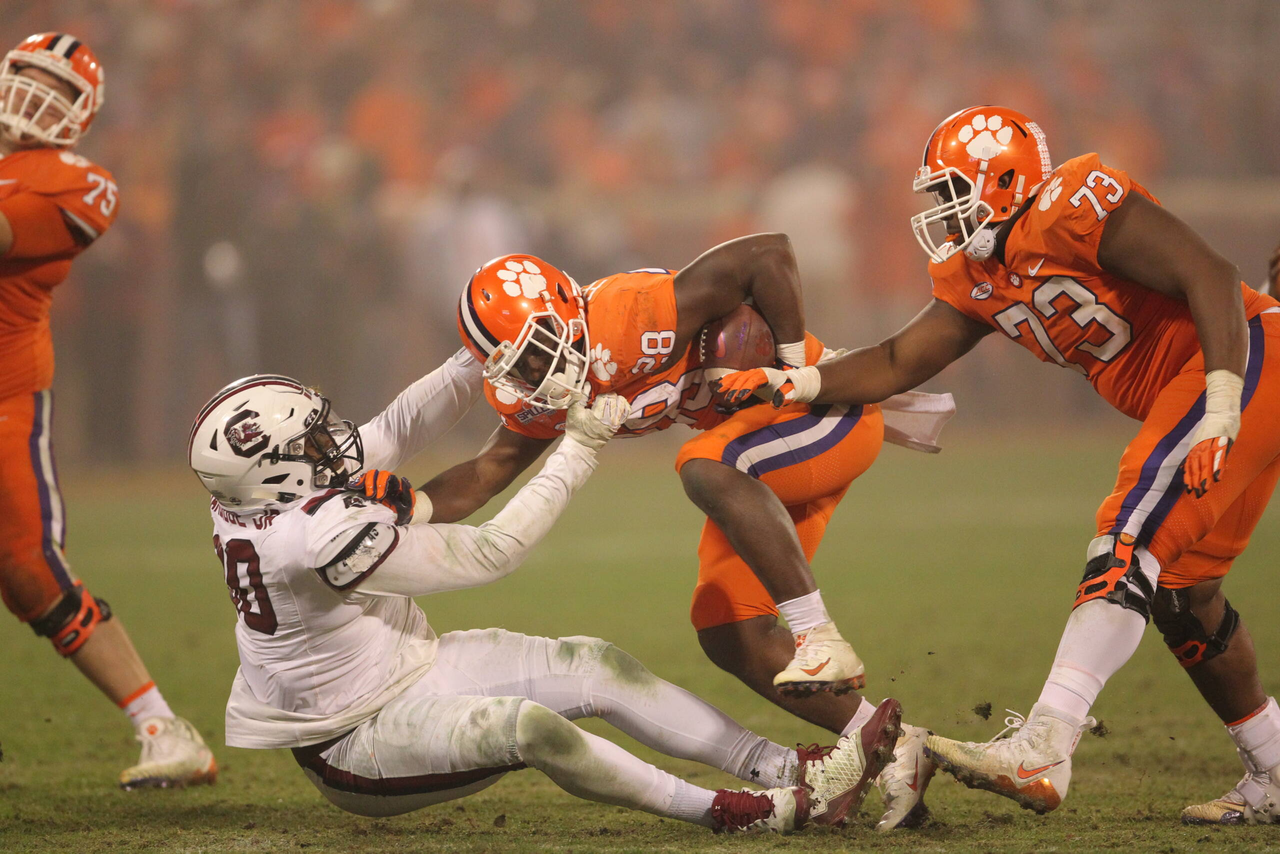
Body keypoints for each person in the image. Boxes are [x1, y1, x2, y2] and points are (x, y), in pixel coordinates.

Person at [714, 105, 1280, 824]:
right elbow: (895, 360)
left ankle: (1046, 742)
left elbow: (1212, 272)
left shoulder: (1072, 203)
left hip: (1239, 363)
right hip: (1228, 380)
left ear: (1004, 180)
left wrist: (1224, 401)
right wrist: (796, 383)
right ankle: (1273, 766)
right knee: (1182, 594)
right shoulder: (977, 270)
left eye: (953, 190)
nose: (942, 211)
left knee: (1126, 541)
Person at [187, 362, 902, 832]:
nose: (334, 446)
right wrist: (580, 447)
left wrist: (477, 356)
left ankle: (791, 770)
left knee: (597, 665)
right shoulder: (316, 539)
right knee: (527, 725)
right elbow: (492, 551)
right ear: (276, 475)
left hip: (404, 668)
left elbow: (397, 427)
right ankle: (741, 811)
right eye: (311, 446)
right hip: (353, 740)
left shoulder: (254, 499)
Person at [434, 237, 955, 829]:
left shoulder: (630, 314)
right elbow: (484, 473)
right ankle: (895, 749)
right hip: (761, 452)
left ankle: (818, 638)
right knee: (726, 627)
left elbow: (769, 254)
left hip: (820, 411)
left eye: (536, 350)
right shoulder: (548, 386)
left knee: (703, 463)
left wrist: (792, 367)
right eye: (517, 366)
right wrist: (401, 508)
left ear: (564, 307)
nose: (537, 372)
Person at [0, 32, 214, 788]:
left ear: (82, 115)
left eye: (58, 92)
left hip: (5, 399)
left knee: (29, 569)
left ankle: (163, 728)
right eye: (29, 78)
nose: (37, 99)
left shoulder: (78, 182)